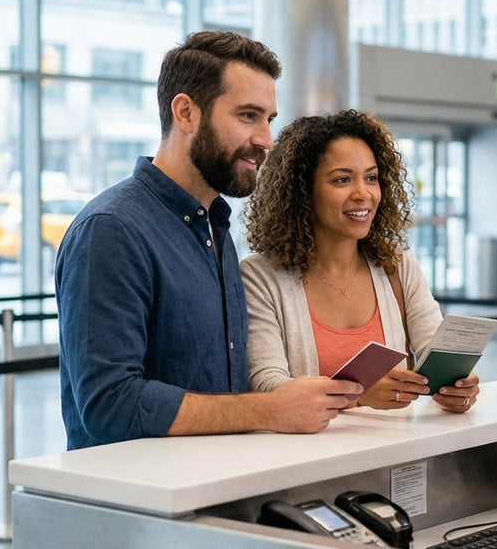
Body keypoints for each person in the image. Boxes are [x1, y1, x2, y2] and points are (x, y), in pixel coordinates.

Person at [55, 31, 362, 450]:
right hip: (143, 504)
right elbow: (109, 404)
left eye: (268, 120)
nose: (265, 141)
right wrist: (269, 410)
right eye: (247, 116)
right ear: (185, 113)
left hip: (213, 486)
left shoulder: (215, 227)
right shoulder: (111, 229)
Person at [240, 109, 479, 412]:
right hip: (314, 457)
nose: (363, 193)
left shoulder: (398, 264)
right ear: (303, 192)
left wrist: (457, 387)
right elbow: (267, 384)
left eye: (371, 178)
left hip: (402, 455)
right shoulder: (260, 276)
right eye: (342, 179)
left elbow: (435, 349)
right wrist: (358, 395)